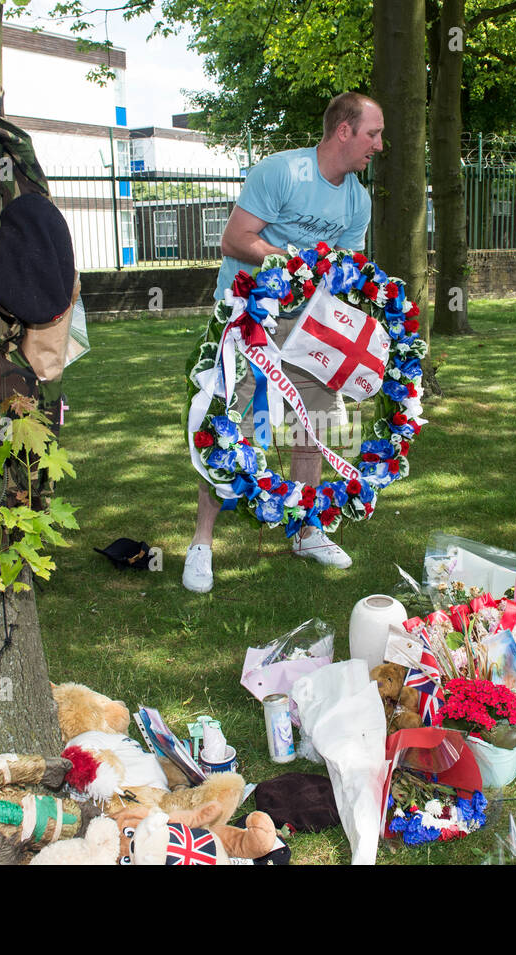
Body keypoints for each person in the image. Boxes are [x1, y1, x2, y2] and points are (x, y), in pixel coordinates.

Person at [182, 92, 385, 594]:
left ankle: (307, 530)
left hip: (311, 323)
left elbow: (347, 269)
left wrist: (353, 318)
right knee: (230, 430)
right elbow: (235, 239)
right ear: (344, 131)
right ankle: (201, 542)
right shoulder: (281, 173)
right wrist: (295, 262)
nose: (379, 145)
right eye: (372, 133)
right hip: (250, 317)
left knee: (311, 427)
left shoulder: (358, 198)